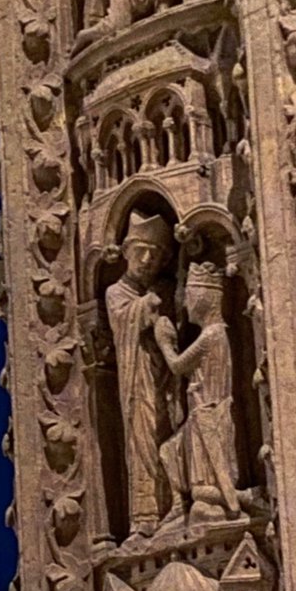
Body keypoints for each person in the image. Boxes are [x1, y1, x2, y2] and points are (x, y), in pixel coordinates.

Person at [154, 262, 242, 529]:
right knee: (169, 450)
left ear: (204, 297)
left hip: (209, 415)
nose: (186, 304)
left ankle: (227, 502)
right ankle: (180, 506)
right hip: (201, 415)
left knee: (206, 488)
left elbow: (178, 365)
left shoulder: (212, 336)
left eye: (190, 296)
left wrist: (163, 342)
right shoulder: (214, 334)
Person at [105, 211, 175, 542]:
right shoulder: (116, 293)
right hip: (136, 381)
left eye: (156, 254)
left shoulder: (159, 290)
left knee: (168, 434)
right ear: (126, 251)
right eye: (141, 251)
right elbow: (127, 319)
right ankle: (145, 517)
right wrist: (154, 301)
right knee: (143, 440)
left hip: (162, 377)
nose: (147, 260)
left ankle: (174, 505)